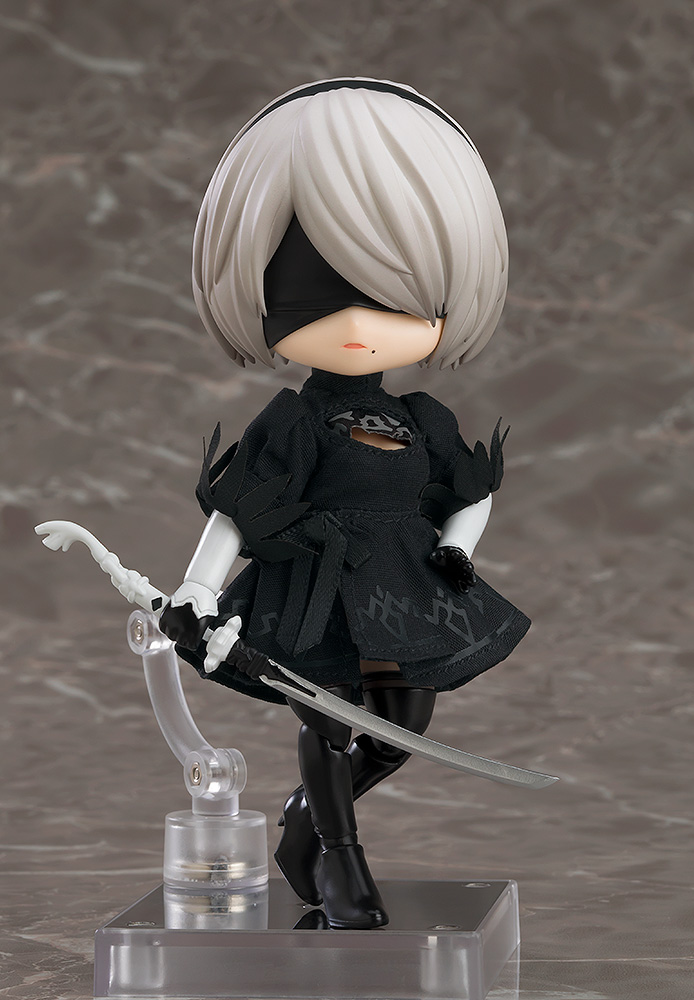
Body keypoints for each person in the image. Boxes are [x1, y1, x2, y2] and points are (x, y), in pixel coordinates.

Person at [159, 78, 530, 930]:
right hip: (312, 588)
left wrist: (458, 548)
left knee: (403, 721)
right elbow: (241, 509)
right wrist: (199, 590)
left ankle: (303, 823)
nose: (358, 320)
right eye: (315, 293)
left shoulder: (424, 418)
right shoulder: (292, 420)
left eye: (394, 294)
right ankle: (339, 861)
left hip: (404, 584)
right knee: (324, 721)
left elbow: (468, 494)